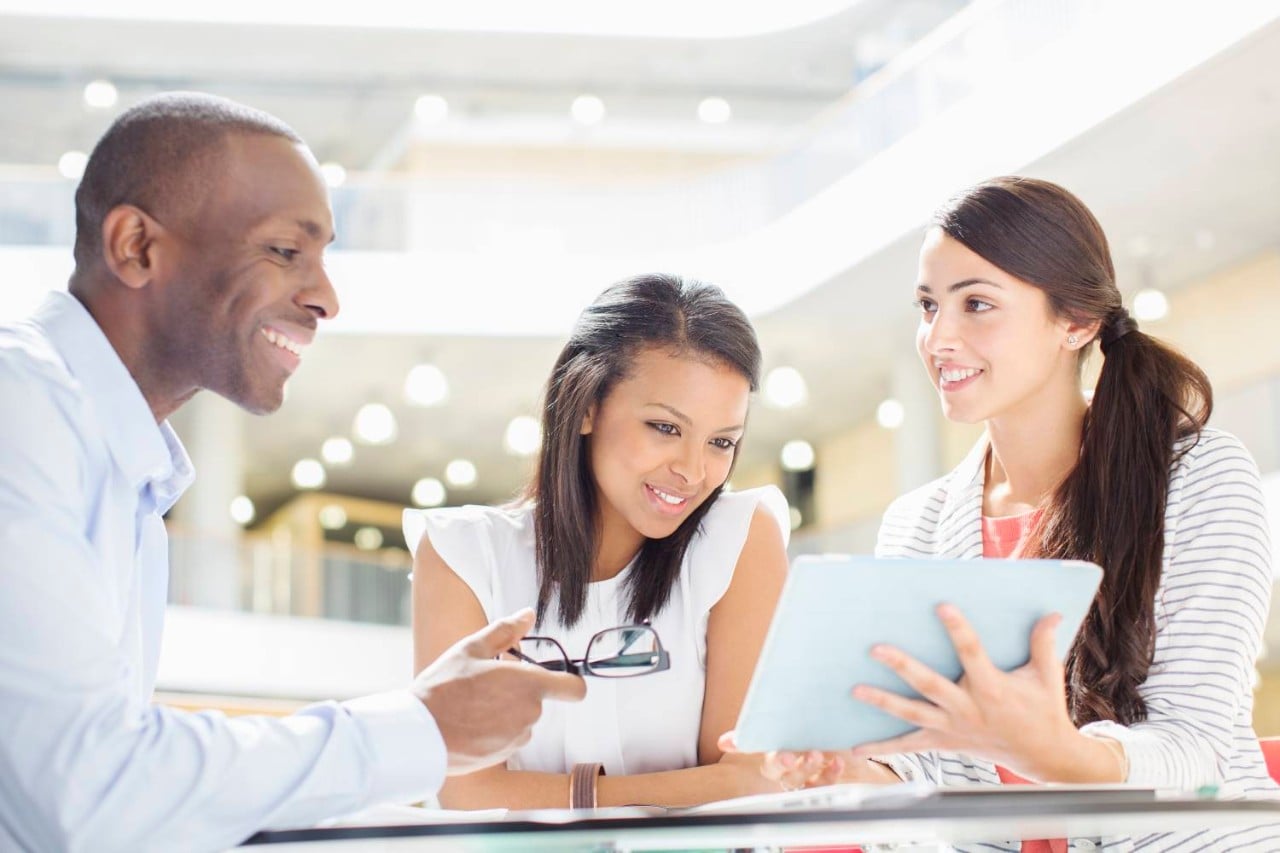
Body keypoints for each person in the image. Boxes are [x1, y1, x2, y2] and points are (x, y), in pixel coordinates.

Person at [0, 92, 585, 853]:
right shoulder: (21, 406)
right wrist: (421, 727)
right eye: (284, 251)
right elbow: (88, 791)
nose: (325, 296)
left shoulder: (121, 464)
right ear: (137, 245)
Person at [736, 177, 1278, 850]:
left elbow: (1192, 745)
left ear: (1074, 322)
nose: (939, 338)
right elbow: (927, 767)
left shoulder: (1198, 478)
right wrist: (852, 768)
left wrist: (1050, 750)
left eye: (978, 304)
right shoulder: (918, 523)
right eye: (929, 306)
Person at [407, 273, 792, 809]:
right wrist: (662, 791)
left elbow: (745, 787)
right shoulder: (465, 554)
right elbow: (465, 792)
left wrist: (548, 795)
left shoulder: (738, 538)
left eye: (721, 441)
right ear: (585, 403)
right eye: (664, 427)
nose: (692, 470)